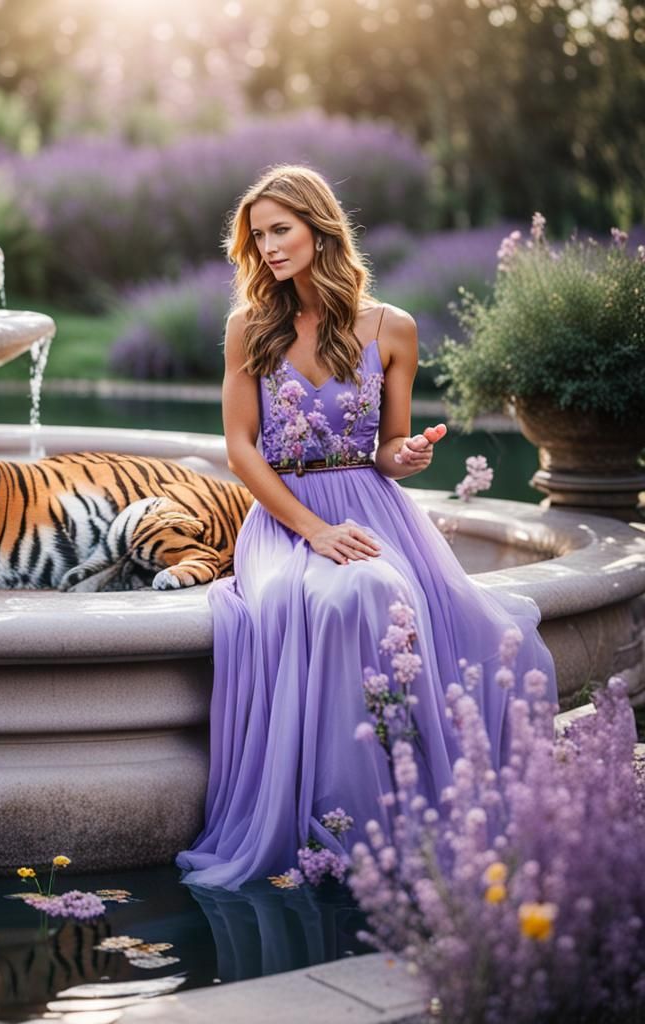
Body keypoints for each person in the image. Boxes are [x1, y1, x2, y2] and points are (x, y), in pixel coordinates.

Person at [176, 165, 557, 890]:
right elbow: (240, 449)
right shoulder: (248, 329)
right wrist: (312, 530)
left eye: (280, 229)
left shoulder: (393, 329)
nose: (268, 247)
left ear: (320, 228)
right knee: (314, 597)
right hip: (284, 521)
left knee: (377, 593)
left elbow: (388, 446)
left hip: (373, 509)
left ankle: (393, 820)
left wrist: (406, 455)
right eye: (257, 236)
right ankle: (326, 821)